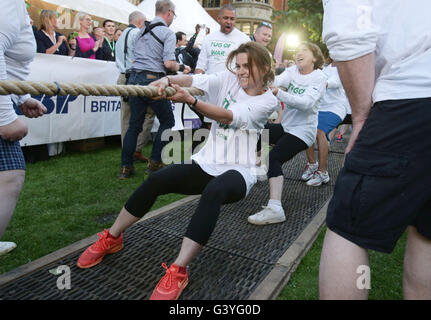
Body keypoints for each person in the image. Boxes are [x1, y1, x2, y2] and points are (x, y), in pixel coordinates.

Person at [76, 41, 278, 300]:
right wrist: (168, 78)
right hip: (207, 161)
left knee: (214, 192)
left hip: (241, 169)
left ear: (263, 67)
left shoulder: (267, 101)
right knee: (156, 181)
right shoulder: (229, 77)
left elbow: (227, 116)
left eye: (246, 66)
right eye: (237, 66)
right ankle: (112, 237)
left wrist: (190, 100)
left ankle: (179, 269)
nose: (240, 72)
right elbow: (193, 78)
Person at [319, 0, 431, 300]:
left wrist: (360, 116)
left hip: (408, 98)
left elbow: (349, 30)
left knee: (351, 229)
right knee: (427, 231)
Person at [248, 42, 326, 225]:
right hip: (287, 127)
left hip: (303, 132)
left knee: (273, 158)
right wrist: (260, 80)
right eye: (297, 50)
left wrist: (278, 94)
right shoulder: (292, 72)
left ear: (314, 57)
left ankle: (275, 209)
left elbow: (306, 103)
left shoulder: (319, 77)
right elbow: (275, 82)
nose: (298, 53)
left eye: (304, 51)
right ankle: (258, 170)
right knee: (254, 135)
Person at [119, 0, 190, 179]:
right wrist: (182, 68)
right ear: (169, 13)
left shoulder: (141, 30)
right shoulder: (167, 32)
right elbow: (168, 63)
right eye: (174, 14)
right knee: (168, 120)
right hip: (153, 81)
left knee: (134, 124)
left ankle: (126, 168)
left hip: (134, 79)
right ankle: (155, 162)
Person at [0, 0, 47, 256]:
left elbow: (8, 64)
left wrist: (20, 97)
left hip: (7, 96)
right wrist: (5, 117)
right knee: (10, 176)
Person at [115, 11, 155, 164]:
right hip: (136, 78)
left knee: (126, 117)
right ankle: (136, 149)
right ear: (141, 21)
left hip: (122, 77)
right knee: (148, 113)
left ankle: (127, 151)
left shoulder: (121, 36)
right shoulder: (138, 33)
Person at [301, 58, 349, 186]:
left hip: (336, 107)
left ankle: (322, 172)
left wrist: (323, 83)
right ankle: (312, 164)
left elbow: (336, 82)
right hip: (320, 107)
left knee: (319, 131)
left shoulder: (344, 67)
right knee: (308, 129)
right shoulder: (324, 69)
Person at [195, 4, 249, 75]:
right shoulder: (208, 38)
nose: (229, 22)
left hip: (232, 84)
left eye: (232, 19)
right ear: (219, 19)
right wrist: (197, 82)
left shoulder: (244, 40)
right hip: (210, 83)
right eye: (226, 18)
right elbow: (200, 66)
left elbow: (248, 66)